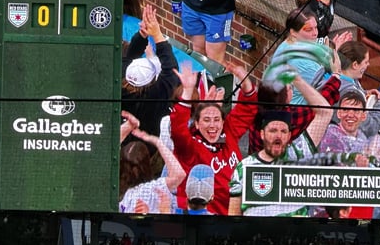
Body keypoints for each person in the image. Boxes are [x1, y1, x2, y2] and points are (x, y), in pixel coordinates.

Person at [170, 62, 258, 214]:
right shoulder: (190, 147)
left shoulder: (228, 131)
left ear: (223, 122)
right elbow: (177, 129)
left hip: (235, 213)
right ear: (197, 124)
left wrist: (245, 81)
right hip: (204, 216)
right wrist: (188, 91)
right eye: (206, 120)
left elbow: (248, 109)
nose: (212, 125)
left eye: (216, 119)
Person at [228, 98, 333, 217]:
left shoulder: (299, 153)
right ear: (262, 134)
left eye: (283, 131)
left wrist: (299, 85)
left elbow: (326, 112)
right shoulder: (244, 167)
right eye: (273, 131)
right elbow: (233, 214)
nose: (278, 136)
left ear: (289, 135)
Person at [122, 4, 180, 139]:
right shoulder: (155, 96)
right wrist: (157, 34)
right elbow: (171, 69)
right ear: (152, 80)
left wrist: (142, 35)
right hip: (149, 145)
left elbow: (129, 56)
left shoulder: (119, 83)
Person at [119, 118, 185, 215]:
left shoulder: (114, 189)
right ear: (146, 164)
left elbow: (104, 150)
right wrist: (157, 142)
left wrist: (128, 126)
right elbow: (179, 175)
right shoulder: (150, 189)